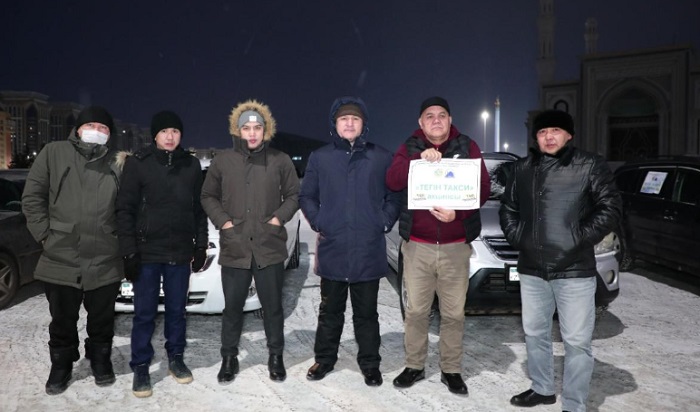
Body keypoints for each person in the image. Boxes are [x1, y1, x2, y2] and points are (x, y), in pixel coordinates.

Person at [499, 110, 622, 412]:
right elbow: (508, 208)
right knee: (535, 333)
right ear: (536, 138)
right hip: (532, 269)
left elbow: (610, 207)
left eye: (555, 130)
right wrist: (520, 238)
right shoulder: (523, 169)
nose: (549, 137)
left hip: (574, 271)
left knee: (577, 341)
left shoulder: (589, 165)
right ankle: (542, 388)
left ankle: (574, 404)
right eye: (542, 132)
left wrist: (577, 237)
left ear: (569, 135)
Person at [385, 96, 490, 395]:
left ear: (450, 119)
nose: (436, 120)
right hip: (418, 246)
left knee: (454, 313)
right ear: (421, 122)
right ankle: (414, 365)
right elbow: (392, 180)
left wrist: (459, 214)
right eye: (429, 116)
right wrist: (418, 160)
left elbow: (482, 189)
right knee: (416, 311)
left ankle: (451, 369)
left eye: (441, 115)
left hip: (456, 247)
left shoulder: (467, 146)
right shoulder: (409, 147)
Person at [299, 96, 401, 387]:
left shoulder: (381, 157)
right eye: (344, 119)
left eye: (355, 119)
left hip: (367, 249)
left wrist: (383, 221)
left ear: (363, 124)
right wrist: (319, 221)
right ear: (335, 124)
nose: (349, 123)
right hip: (333, 247)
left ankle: (370, 363)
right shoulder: (320, 157)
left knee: (366, 314)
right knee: (330, 311)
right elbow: (307, 196)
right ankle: (324, 359)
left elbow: (394, 196)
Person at [22, 106, 124, 395]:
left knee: (102, 319)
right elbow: (32, 197)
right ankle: (62, 364)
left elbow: (129, 207)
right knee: (63, 319)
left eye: (103, 128)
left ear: (109, 135)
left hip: (105, 257)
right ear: (78, 129)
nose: (96, 131)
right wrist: (45, 236)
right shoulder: (53, 153)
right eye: (91, 125)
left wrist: (122, 241)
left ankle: (100, 359)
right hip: (61, 255)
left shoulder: (118, 162)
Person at [200, 99, 299, 384]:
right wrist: (224, 222)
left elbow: (294, 195)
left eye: (257, 128)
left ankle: (276, 356)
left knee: (273, 308)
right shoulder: (223, 161)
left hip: (269, 247)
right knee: (232, 308)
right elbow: (207, 195)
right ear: (238, 130)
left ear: (266, 130)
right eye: (247, 128)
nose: (252, 133)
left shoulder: (280, 160)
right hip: (236, 246)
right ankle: (229, 357)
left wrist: (278, 218)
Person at [115, 110, 208, 398]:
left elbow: (199, 210)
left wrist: (200, 245)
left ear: (181, 135)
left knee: (177, 311)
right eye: (164, 131)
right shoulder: (138, 164)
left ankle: (176, 358)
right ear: (155, 135)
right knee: (144, 313)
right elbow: (124, 210)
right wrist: (129, 252)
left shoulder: (191, 165)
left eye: (175, 131)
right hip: (146, 253)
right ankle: (141, 365)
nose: (170, 136)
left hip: (179, 252)